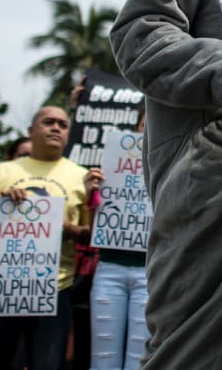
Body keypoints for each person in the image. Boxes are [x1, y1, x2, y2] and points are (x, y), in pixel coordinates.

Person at [0, 105, 95, 370]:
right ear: (31, 131)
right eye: (48, 122)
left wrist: (60, 224)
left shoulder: (82, 177)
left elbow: (88, 237)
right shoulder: (3, 172)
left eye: (62, 124)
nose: (56, 128)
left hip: (54, 291)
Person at [87, 110, 150, 370]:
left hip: (151, 273)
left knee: (140, 361)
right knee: (103, 360)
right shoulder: (110, 169)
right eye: (146, 124)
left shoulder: (176, 164)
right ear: (135, 129)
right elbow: (94, 230)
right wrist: (91, 195)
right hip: (109, 269)